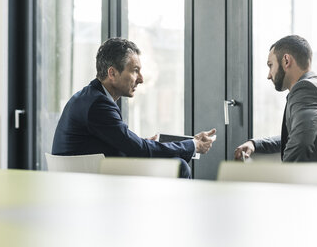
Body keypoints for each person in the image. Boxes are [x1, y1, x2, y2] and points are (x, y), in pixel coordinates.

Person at [52, 37, 216, 178]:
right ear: (112, 73)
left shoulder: (90, 97)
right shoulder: (98, 105)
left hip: (85, 179)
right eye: (135, 71)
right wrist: (192, 145)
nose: (141, 79)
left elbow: (125, 145)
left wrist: (141, 143)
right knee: (178, 166)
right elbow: (138, 150)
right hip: (90, 183)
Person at [234, 35, 317, 162]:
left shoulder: (306, 89)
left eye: (270, 65)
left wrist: (283, 180)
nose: (269, 75)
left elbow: (300, 144)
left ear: (286, 60)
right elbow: (296, 137)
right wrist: (255, 144)